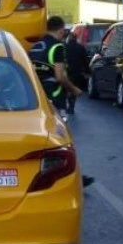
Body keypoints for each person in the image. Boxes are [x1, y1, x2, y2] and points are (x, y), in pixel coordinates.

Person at [29, 16, 94, 188]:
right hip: (56, 98)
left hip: (36, 99)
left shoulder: (35, 47)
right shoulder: (57, 47)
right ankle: (71, 177)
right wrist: (74, 89)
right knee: (62, 140)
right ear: (60, 30)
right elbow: (60, 76)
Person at [65, 31, 90, 115]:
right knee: (73, 88)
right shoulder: (81, 48)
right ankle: (71, 106)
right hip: (77, 72)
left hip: (67, 71)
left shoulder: (64, 47)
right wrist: (87, 72)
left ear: (69, 38)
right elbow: (85, 61)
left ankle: (67, 103)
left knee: (67, 88)